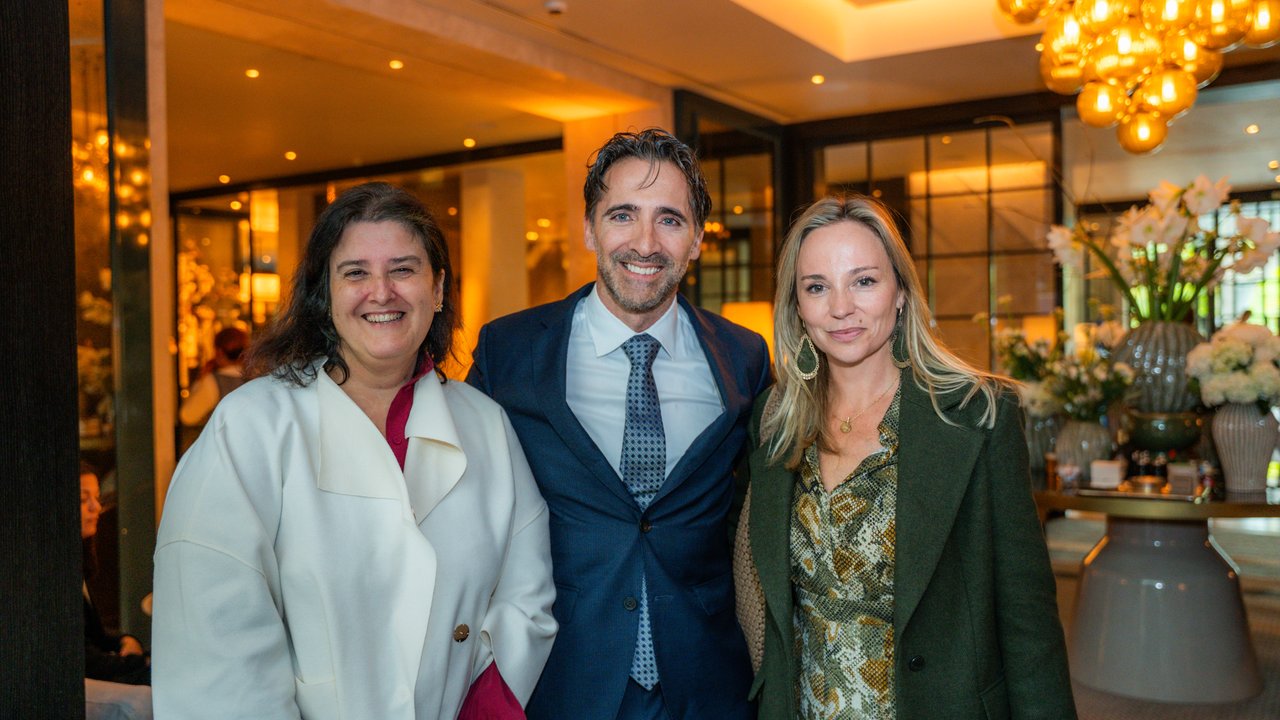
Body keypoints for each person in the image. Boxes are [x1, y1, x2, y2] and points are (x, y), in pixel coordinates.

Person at [152, 182, 557, 719]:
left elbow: (526, 598)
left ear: (438, 289)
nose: (381, 292)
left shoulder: (486, 425)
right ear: (325, 294)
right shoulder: (250, 425)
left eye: (403, 269)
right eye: (356, 273)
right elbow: (215, 635)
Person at [468, 128, 771, 720]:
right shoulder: (511, 352)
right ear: (589, 228)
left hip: (709, 685)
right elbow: (469, 513)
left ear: (697, 239)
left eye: (670, 220)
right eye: (623, 214)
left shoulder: (744, 356)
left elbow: (756, 509)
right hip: (561, 680)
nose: (645, 242)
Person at [734, 195, 1076, 719]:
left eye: (864, 281)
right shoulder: (775, 418)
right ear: (797, 306)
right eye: (817, 287)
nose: (840, 307)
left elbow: (1026, 614)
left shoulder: (977, 414)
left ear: (899, 292)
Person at [81, 461, 150, 686]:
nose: (96, 507)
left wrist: (124, 639)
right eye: (83, 499)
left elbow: (95, 636)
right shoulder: (54, 573)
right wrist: (139, 662)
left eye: (97, 498)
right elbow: (85, 659)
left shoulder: (80, 562)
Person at [178, 326, 248, 426]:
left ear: (219, 351)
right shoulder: (255, 379)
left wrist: (200, 380)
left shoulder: (212, 382)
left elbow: (187, 416)